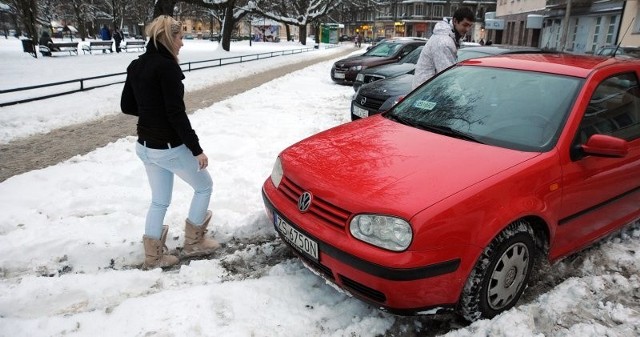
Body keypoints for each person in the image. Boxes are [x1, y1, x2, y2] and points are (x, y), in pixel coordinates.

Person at [120, 15, 219, 269]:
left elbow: (127, 105)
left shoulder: (137, 64)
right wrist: (196, 149)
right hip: (168, 148)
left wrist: (151, 111)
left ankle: (153, 258)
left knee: (159, 201)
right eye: (180, 37)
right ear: (168, 38)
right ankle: (194, 242)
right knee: (204, 186)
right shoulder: (167, 68)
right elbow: (176, 114)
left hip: (145, 147)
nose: (182, 43)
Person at [412, 7, 475, 89]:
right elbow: (448, 78)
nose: (467, 29)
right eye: (465, 25)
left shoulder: (448, 37)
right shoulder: (443, 42)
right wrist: (461, 99)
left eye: (470, 26)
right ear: (455, 21)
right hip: (426, 92)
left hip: (427, 89)